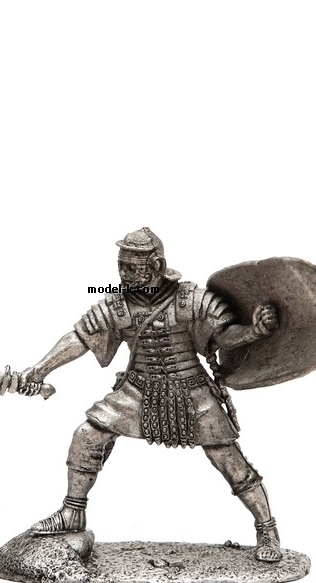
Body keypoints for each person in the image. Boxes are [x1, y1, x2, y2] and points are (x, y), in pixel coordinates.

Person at [18, 227, 283, 563]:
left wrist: (254, 331)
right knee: (88, 435)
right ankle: (72, 512)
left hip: (192, 392)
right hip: (137, 391)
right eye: (121, 265)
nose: (123, 273)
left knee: (229, 460)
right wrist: (39, 369)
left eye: (131, 267)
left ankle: (267, 527)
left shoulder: (191, 299)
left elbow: (225, 336)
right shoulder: (118, 305)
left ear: (156, 266)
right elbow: (80, 338)